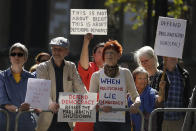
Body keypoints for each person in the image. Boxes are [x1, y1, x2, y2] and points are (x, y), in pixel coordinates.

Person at [35, 37, 87, 131]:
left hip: (66, 119)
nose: (56, 52)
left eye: (60, 49)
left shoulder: (71, 66)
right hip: (47, 119)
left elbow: (80, 87)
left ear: (67, 52)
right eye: (54, 49)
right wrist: (50, 103)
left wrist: (90, 101)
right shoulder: (42, 67)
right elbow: (41, 89)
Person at [89, 40, 141, 131]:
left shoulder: (125, 73)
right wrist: (98, 106)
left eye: (112, 53)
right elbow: (90, 100)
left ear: (119, 55)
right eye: (107, 53)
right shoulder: (96, 75)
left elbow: (135, 96)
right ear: (104, 56)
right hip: (102, 118)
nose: (109, 55)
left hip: (122, 118)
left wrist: (136, 104)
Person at [0, 43, 36, 131]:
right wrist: (18, 109)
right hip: (6, 125)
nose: (16, 57)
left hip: (26, 125)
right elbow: (3, 100)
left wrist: (30, 106)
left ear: (25, 58)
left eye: (20, 54)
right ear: (10, 57)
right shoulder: (1, 76)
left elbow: (37, 102)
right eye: (13, 54)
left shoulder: (32, 78)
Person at [74, 33, 105, 131]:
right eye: (99, 52)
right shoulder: (91, 67)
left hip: (108, 115)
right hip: (87, 117)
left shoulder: (117, 71)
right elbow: (83, 63)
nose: (103, 54)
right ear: (94, 55)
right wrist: (86, 42)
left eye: (106, 52)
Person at [135, 46, 168, 131]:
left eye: (146, 61)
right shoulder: (137, 75)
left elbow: (162, 100)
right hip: (138, 118)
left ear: (154, 58)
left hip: (155, 119)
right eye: (141, 62)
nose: (144, 64)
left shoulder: (162, 76)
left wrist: (161, 89)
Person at [128, 67, 165, 131]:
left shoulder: (152, 92)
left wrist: (162, 89)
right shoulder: (129, 94)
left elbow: (159, 101)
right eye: (140, 78)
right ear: (134, 80)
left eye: (145, 78)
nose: (143, 81)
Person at [161, 56, 192, 131]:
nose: (173, 58)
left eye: (175, 56)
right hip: (161, 119)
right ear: (164, 57)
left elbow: (187, 96)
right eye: (170, 56)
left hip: (179, 120)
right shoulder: (158, 72)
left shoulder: (184, 74)